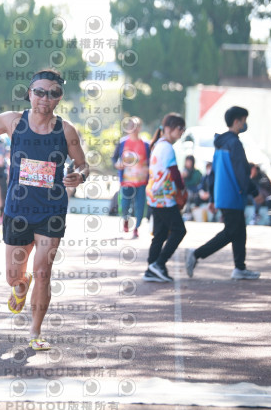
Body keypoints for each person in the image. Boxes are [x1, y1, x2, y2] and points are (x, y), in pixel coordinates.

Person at [0, 67, 88, 351]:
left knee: (43, 272)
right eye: (40, 92)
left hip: (52, 210)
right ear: (29, 93)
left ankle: (35, 331)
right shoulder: (13, 121)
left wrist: (80, 176)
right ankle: (20, 286)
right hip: (18, 210)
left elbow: (83, 164)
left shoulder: (66, 130)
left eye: (53, 93)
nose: (45, 98)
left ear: (59, 97)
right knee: (14, 276)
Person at [185, 106, 263, 280]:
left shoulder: (220, 144)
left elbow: (212, 174)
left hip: (224, 195)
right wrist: (254, 191)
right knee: (231, 232)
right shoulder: (234, 144)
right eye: (244, 120)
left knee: (239, 231)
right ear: (237, 121)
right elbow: (242, 172)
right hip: (233, 195)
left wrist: (213, 198)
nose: (245, 124)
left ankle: (240, 268)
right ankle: (196, 254)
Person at [143, 113, 187, 282]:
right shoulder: (167, 147)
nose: (181, 132)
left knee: (160, 234)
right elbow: (175, 172)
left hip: (155, 195)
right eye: (180, 128)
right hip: (164, 197)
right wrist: (182, 190)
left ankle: (151, 268)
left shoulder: (158, 145)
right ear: (168, 129)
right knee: (179, 230)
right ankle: (159, 264)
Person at [112, 116, 149, 238]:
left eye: (136, 126)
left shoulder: (146, 144)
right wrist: (117, 164)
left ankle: (136, 228)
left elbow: (150, 161)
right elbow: (114, 158)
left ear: (140, 128)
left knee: (140, 206)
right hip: (126, 181)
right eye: (131, 126)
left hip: (141, 181)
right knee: (124, 204)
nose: (133, 129)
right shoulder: (122, 143)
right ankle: (125, 219)